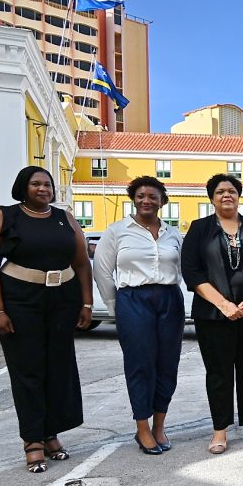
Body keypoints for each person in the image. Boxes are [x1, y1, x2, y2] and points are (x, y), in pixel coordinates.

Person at [0, 166, 93, 473]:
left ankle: (51, 433)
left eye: (47, 184)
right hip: (20, 302)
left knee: (58, 369)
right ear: (23, 187)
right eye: (36, 184)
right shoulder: (4, 217)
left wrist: (86, 302)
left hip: (61, 301)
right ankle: (32, 440)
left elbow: (81, 263)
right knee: (28, 370)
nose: (43, 188)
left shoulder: (64, 217)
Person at [181, 174, 243, 454]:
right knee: (219, 373)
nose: (227, 195)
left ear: (239, 196)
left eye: (232, 191)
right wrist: (223, 304)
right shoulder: (200, 229)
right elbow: (192, 272)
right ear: (212, 198)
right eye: (220, 191)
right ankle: (219, 431)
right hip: (213, 316)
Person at [92, 176, 184, 455]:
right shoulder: (117, 231)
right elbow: (102, 270)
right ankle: (142, 427)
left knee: (167, 365)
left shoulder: (173, 234)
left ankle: (159, 425)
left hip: (169, 299)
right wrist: (114, 306)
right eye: (141, 195)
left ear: (162, 202)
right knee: (140, 365)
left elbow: (183, 268)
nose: (147, 200)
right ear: (133, 198)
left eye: (153, 197)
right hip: (133, 299)